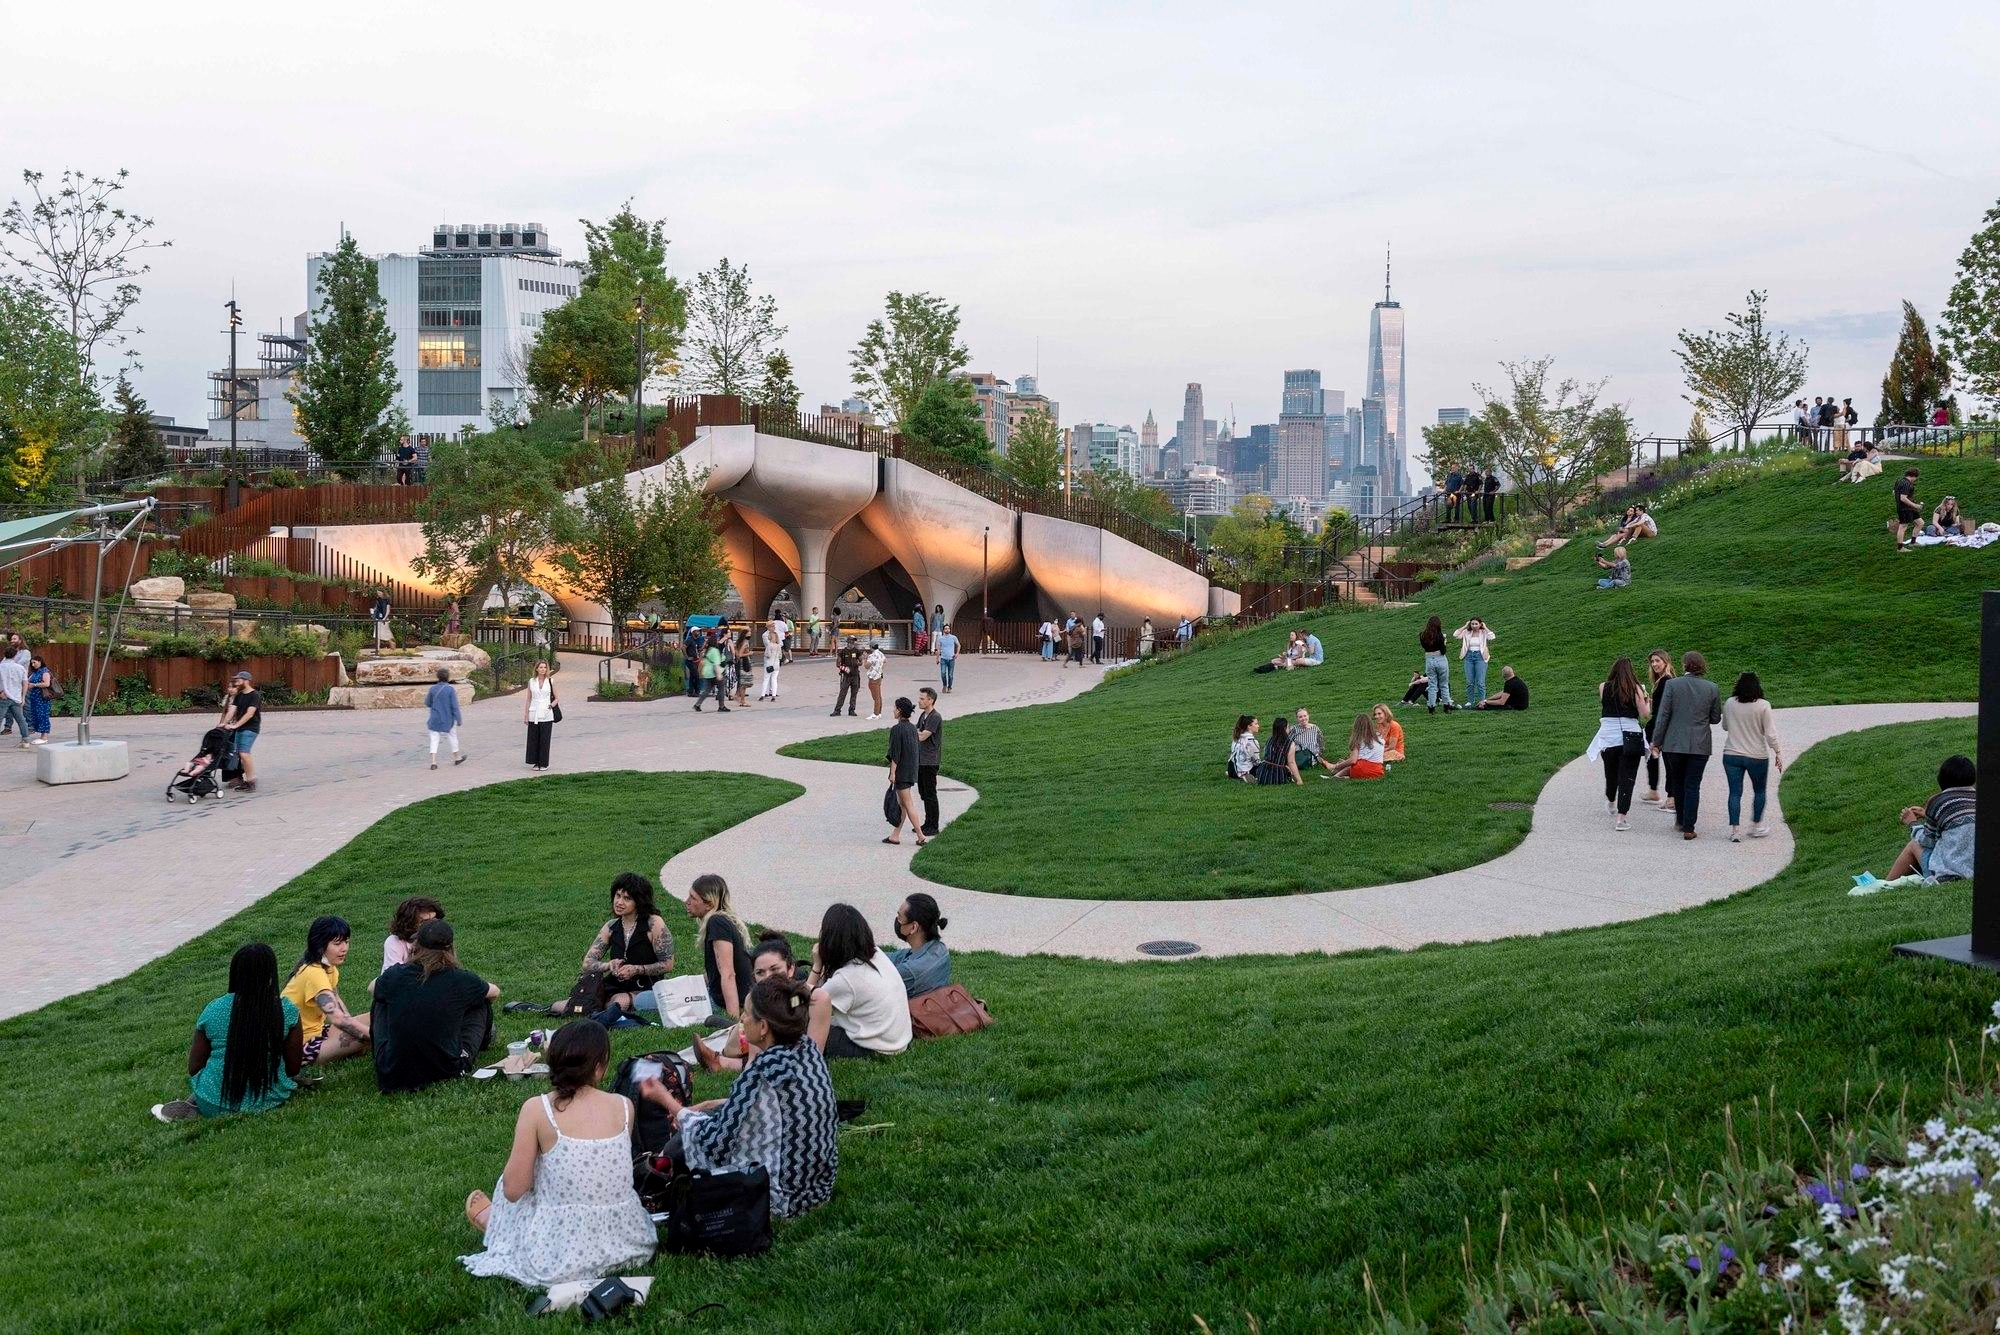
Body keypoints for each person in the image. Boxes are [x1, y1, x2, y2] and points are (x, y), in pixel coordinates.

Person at [461, 1020, 657, 1287]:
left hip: (560, 1252)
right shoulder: (624, 1106)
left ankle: (494, 1223)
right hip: (627, 1242)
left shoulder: (537, 1109)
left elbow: (514, 1190)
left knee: (512, 1178)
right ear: (599, 1068)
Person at [637, 977, 838, 1219]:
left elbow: (714, 1145)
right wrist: (709, 1107)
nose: (741, 1019)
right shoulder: (808, 1051)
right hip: (817, 1190)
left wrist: (666, 1100)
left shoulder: (762, 1072)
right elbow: (772, 1111)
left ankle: (651, 1179)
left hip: (779, 1200)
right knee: (709, 1116)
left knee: (689, 1137)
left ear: (763, 1027)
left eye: (746, 1013)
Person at [152, 942, 303, 1122]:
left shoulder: (214, 1009)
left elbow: (194, 1068)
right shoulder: (287, 1010)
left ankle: (196, 1107)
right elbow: (293, 1067)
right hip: (268, 1100)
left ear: (235, 973)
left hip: (213, 1099)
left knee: (211, 1087)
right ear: (271, 974)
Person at [370, 920, 499, 1094]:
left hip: (392, 1072)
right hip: (447, 1069)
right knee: (481, 1001)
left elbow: (372, 987)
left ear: (416, 946)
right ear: (450, 948)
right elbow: (494, 992)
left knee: (381, 999)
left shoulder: (396, 975)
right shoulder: (461, 980)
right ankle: (480, 1042)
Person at [554, 873, 673, 1028]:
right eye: (618, 896)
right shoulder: (611, 926)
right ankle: (527, 1007)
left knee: (617, 1003)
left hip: (645, 986)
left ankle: (595, 1020)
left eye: (627, 898)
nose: (619, 902)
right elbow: (588, 963)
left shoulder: (654, 923)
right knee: (567, 1005)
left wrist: (636, 969)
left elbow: (668, 964)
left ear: (639, 901)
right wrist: (609, 965)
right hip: (614, 984)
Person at [806, 903, 912, 1059]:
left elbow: (805, 1003)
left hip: (875, 1047)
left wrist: (817, 965)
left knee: (802, 1028)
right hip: (898, 1039)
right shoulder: (876, 954)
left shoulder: (845, 978)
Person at [283, 915, 371, 1066]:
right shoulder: (314, 972)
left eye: (346, 942)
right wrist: (376, 1037)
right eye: (337, 943)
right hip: (300, 1049)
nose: (344, 948)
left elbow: (338, 1004)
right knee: (370, 1036)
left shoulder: (329, 968)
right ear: (320, 945)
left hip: (318, 1033)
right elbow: (337, 1019)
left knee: (379, 1016)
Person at [1651, 650, 1720, 839]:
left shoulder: (1672, 685)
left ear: (1684, 666)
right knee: (1693, 785)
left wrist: (1656, 741)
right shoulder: (1712, 688)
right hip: (1700, 744)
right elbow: (1715, 719)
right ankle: (1689, 826)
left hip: (1674, 743)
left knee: (1678, 781)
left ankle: (1680, 820)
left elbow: (1663, 715)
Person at [1888, 755, 1977, 883]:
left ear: (1942, 777)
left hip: (1951, 874)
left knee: (1914, 844)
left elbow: (1927, 841)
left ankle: (1885, 885)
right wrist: (1927, 814)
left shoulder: (1938, 801)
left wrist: (1912, 823)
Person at [682, 873, 754, 1024]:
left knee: (644, 1001)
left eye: (693, 898)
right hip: (735, 995)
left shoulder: (717, 923)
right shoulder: (726, 920)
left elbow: (728, 973)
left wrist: (732, 1019)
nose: (686, 901)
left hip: (721, 1000)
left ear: (709, 904)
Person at [1721, 671, 1783, 843]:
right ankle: (1756, 826)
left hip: (1731, 753)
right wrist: (1778, 751)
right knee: (1759, 790)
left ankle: (1735, 830)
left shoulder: (1730, 703)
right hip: (1757, 755)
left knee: (1734, 792)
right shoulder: (1763, 705)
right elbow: (1770, 734)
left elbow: (1725, 726)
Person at [1591, 657, 1650, 832]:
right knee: (1627, 777)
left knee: (1611, 773)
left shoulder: (1603, 687)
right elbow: (1645, 714)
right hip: (1630, 735)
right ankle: (1621, 818)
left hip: (1608, 736)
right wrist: (1646, 700)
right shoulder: (1637, 689)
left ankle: (1611, 801)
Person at [887, 893, 951, 998]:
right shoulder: (940, 950)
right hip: (935, 1007)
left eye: (899, 917)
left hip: (910, 1013)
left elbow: (873, 984)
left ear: (913, 927)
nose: (897, 920)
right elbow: (895, 957)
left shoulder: (910, 971)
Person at [883, 697, 926, 845]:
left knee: (908, 804)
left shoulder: (897, 729)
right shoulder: (912, 728)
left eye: (895, 708)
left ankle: (920, 836)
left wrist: (892, 773)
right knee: (903, 804)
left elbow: (895, 754)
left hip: (902, 771)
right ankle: (895, 835)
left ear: (900, 710)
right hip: (911, 770)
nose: (893, 710)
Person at [1642, 649, 1676, 808]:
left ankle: (1671, 797)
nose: (1654, 664)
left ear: (1665, 661)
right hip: (1658, 724)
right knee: (1653, 758)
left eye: (1657, 661)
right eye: (1652, 661)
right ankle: (1654, 790)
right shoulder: (1663, 680)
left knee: (1668, 760)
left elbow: (1667, 709)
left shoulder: (1666, 680)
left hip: (1661, 725)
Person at [382, 895, 445, 974]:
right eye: (424, 922)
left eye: (434, 919)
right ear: (410, 923)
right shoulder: (394, 942)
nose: (432, 925)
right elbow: (391, 976)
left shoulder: (440, 938)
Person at [220, 671, 261, 791]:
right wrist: (223, 724)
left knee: (244, 753)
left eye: (239, 680)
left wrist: (235, 725)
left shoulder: (254, 695)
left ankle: (251, 781)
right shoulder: (239, 695)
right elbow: (231, 711)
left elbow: (250, 714)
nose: (237, 682)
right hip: (240, 728)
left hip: (251, 728)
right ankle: (244, 779)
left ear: (246, 681)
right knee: (238, 754)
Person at [915, 686, 945, 837]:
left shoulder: (935, 717)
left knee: (930, 793)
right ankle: (927, 822)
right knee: (923, 793)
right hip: (921, 760)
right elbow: (917, 731)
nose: (919, 701)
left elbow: (921, 736)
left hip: (930, 761)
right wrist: (917, 732)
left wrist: (916, 733)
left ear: (930, 700)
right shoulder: (923, 716)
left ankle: (933, 825)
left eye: (922, 698)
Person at [425, 666, 466, 769]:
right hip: (448, 719)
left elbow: (427, 702)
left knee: (434, 739)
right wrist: (459, 719)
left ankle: (433, 762)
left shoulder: (433, 688)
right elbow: (455, 706)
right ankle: (457, 758)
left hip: (434, 719)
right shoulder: (450, 690)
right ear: (448, 677)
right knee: (452, 737)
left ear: (438, 677)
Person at [1327, 712, 1386, 780]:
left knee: (1348, 767)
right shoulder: (1379, 738)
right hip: (1377, 771)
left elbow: (1353, 760)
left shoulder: (1358, 739)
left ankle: (1335, 776)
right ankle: (1342, 774)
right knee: (1348, 765)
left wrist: (1337, 766)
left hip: (1361, 769)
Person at [523, 659, 557, 769]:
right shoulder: (531, 681)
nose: (543, 669)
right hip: (534, 711)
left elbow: (557, 698)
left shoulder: (551, 681)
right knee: (533, 739)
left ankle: (544, 763)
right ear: (536, 669)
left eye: (545, 667)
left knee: (545, 739)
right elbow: (528, 699)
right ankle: (535, 762)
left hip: (546, 712)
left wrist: (551, 705)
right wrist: (526, 715)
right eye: (541, 667)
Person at [1453, 618, 1495, 705]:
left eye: (1476, 624)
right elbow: (1455, 635)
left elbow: (1492, 636)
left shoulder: (1483, 632)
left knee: (1480, 682)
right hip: (1469, 657)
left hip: (1481, 657)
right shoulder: (1466, 632)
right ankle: (1470, 701)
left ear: (1480, 624)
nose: (1474, 626)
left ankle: (1482, 702)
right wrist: (1465, 626)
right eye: (1472, 624)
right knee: (1470, 682)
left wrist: (1485, 627)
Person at [1419, 615, 1455, 713]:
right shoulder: (1440, 636)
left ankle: (1431, 707)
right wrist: (1444, 643)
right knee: (1444, 684)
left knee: (1432, 684)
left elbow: (1424, 647)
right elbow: (1443, 651)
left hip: (1429, 659)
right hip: (1440, 659)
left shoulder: (1422, 635)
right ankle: (1446, 705)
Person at [1255, 714, 1303, 785]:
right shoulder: (1289, 743)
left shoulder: (1270, 739)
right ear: (1285, 728)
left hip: (1263, 773)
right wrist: (1299, 780)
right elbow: (1291, 762)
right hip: (1277, 775)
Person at [1291, 708, 1336, 775]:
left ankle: (1320, 761)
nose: (1303, 718)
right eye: (1300, 717)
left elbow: (1321, 744)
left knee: (1313, 750)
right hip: (1300, 755)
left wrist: (1319, 753)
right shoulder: (1294, 729)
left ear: (1308, 716)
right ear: (1297, 719)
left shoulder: (1315, 728)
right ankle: (1325, 763)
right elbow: (1288, 743)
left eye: (1305, 716)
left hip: (1314, 755)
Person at [693, 635, 729, 712]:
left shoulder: (708, 650)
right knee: (721, 689)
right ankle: (721, 706)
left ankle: (697, 704)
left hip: (707, 673)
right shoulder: (715, 651)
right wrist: (719, 675)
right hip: (714, 673)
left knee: (707, 690)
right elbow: (716, 664)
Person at [23, 653, 52, 744]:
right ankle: (42, 735)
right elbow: (27, 681)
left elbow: (47, 683)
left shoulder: (45, 671)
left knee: (43, 715)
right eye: (32, 663)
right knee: (36, 715)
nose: (33, 664)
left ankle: (44, 737)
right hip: (34, 698)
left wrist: (34, 685)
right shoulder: (35, 672)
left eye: (34, 662)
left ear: (40, 662)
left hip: (42, 698)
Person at [832, 635, 863, 717]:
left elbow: (861, 662)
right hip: (846, 676)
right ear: (848, 641)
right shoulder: (842, 652)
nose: (852, 643)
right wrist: (845, 669)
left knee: (854, 693)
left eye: (853, 641)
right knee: (842, 693)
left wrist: (857, 663)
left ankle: (852, 710)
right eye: (851, 641)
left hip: (855, 675)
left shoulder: (857, 651)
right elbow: (837, 664)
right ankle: (837, 710)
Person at [1893, 468, 1922, 550]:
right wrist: (1915, 505)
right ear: (1913, 476)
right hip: (1904, 509)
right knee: (1903, 527)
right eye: (1916, 478)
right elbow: (1903, 498)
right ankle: (1900, 548)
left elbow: (1894, 492)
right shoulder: (1906, 484)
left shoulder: (1899, 480)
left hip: (1909, 508)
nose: (1915, 480)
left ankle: (1913, 542)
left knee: (1920, 523)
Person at [1228, 714, 1260, 782]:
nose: (1258, 726)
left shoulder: (1237, 738)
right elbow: (1256, 762)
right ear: (1249, 726)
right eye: (1256, 724)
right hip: (1243, 769)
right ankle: (1246, 775)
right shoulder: (1252, 741)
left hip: (1231, 769)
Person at [760, 619, 784, 700]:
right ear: (769, 627)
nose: (774, 627)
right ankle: (768, 692)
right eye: (772, 626)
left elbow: (780, 643)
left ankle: (769, 693)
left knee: (769, 677)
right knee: (771, 677)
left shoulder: (776, 634)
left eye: (774, 626)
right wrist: (776, 645)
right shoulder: (765, 635)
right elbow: (768, 644)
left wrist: (774, 645)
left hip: (772, 659)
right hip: (774, 659)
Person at [935, 623, 961, 693]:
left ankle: (949, 687)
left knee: (950, 675)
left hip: (951, 659)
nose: (947, 630)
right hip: (943, 659)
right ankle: (944, 685)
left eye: (948, 628)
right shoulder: (940, 638)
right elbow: (938, 649)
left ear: (950, 630)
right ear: (943, 630)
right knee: (943, 673)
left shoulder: (953, 637)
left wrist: (957, 653)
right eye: (946, 628)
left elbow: (958, 645)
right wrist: (937, 658)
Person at [732, 629, 754, 709]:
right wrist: (749, 653)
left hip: (740, 663)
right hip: (744, 662)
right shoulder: (745, 643)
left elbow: (736, 653)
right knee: (744, 682)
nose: (750, 634)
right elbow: (740, 654)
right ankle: (742, 700)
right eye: (749, 633)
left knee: (742, 681)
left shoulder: (739, 642)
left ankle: (739, 696)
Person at [864, 640, 886, 719]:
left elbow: (866, 666)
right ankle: (879, 713)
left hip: (873, 677)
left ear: (871, 647)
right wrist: (880, 668)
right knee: (879, 696)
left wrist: (865, 658)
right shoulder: (880, 653)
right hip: (879, 676)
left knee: (875, 697)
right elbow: (885, 661)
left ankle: (875, 714)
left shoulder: (872, 656)